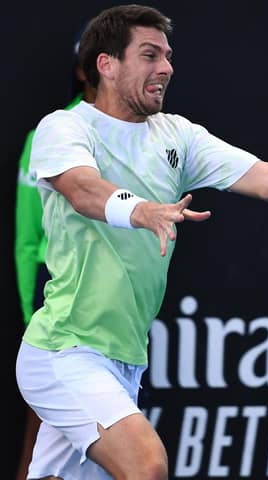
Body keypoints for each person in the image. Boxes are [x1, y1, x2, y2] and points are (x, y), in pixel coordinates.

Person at [14, 4, 268, 479]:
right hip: (64, 351)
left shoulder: (178, 136)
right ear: (106, 64)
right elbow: (82, 189)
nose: (167, 68)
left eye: (168, 56)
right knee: (146, 466)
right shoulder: (65, 127)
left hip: (123, 358)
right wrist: (143, 209)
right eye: (150, 55)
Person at [13, 22, 96, 480]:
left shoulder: (144, 137)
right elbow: (28, 239)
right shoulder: (46, 136)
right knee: (45, 422)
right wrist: (31, 311)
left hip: (112, 302)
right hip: (58, 289)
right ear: (83, 70)